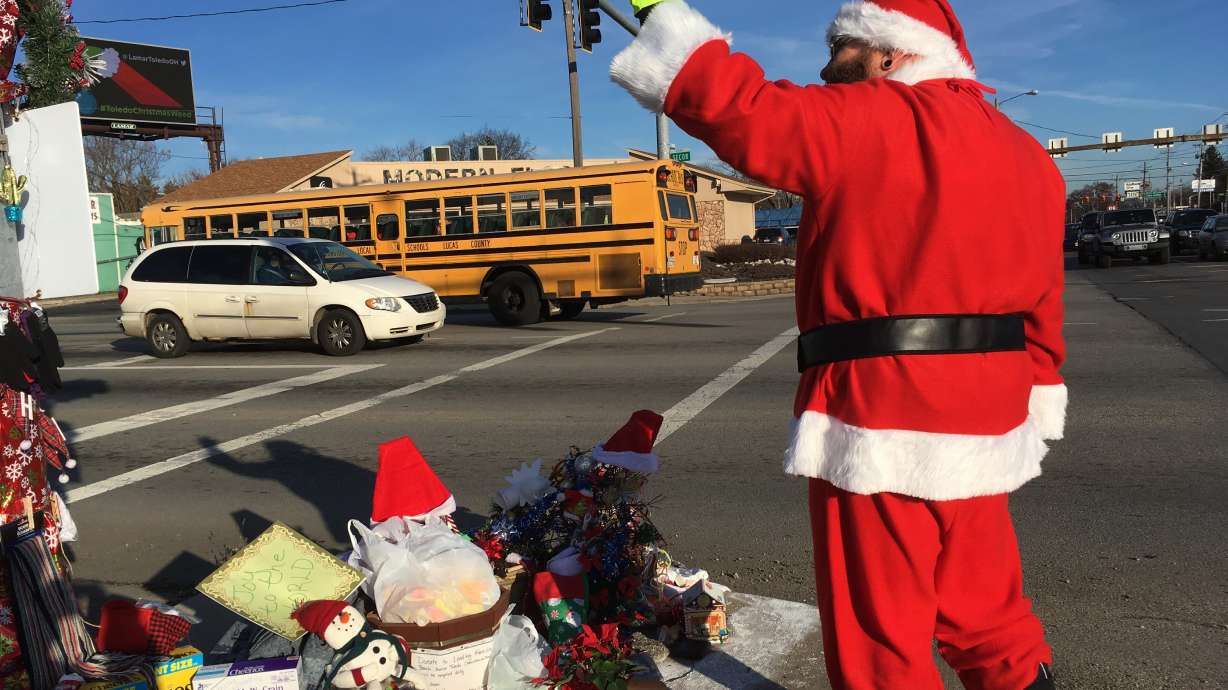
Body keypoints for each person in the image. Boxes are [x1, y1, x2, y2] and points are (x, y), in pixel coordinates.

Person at [611, 2, 1066, 689]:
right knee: (987, 608)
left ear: (889, 53)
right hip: (991, 420)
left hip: (878, 416)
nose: (826, 64)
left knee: (882, 635)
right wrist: (1037, 388)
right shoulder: (1029, 157)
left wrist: (658, 12)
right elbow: (1043, 308)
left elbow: (747, 111)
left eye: (840, 45)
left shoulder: (871, 119)